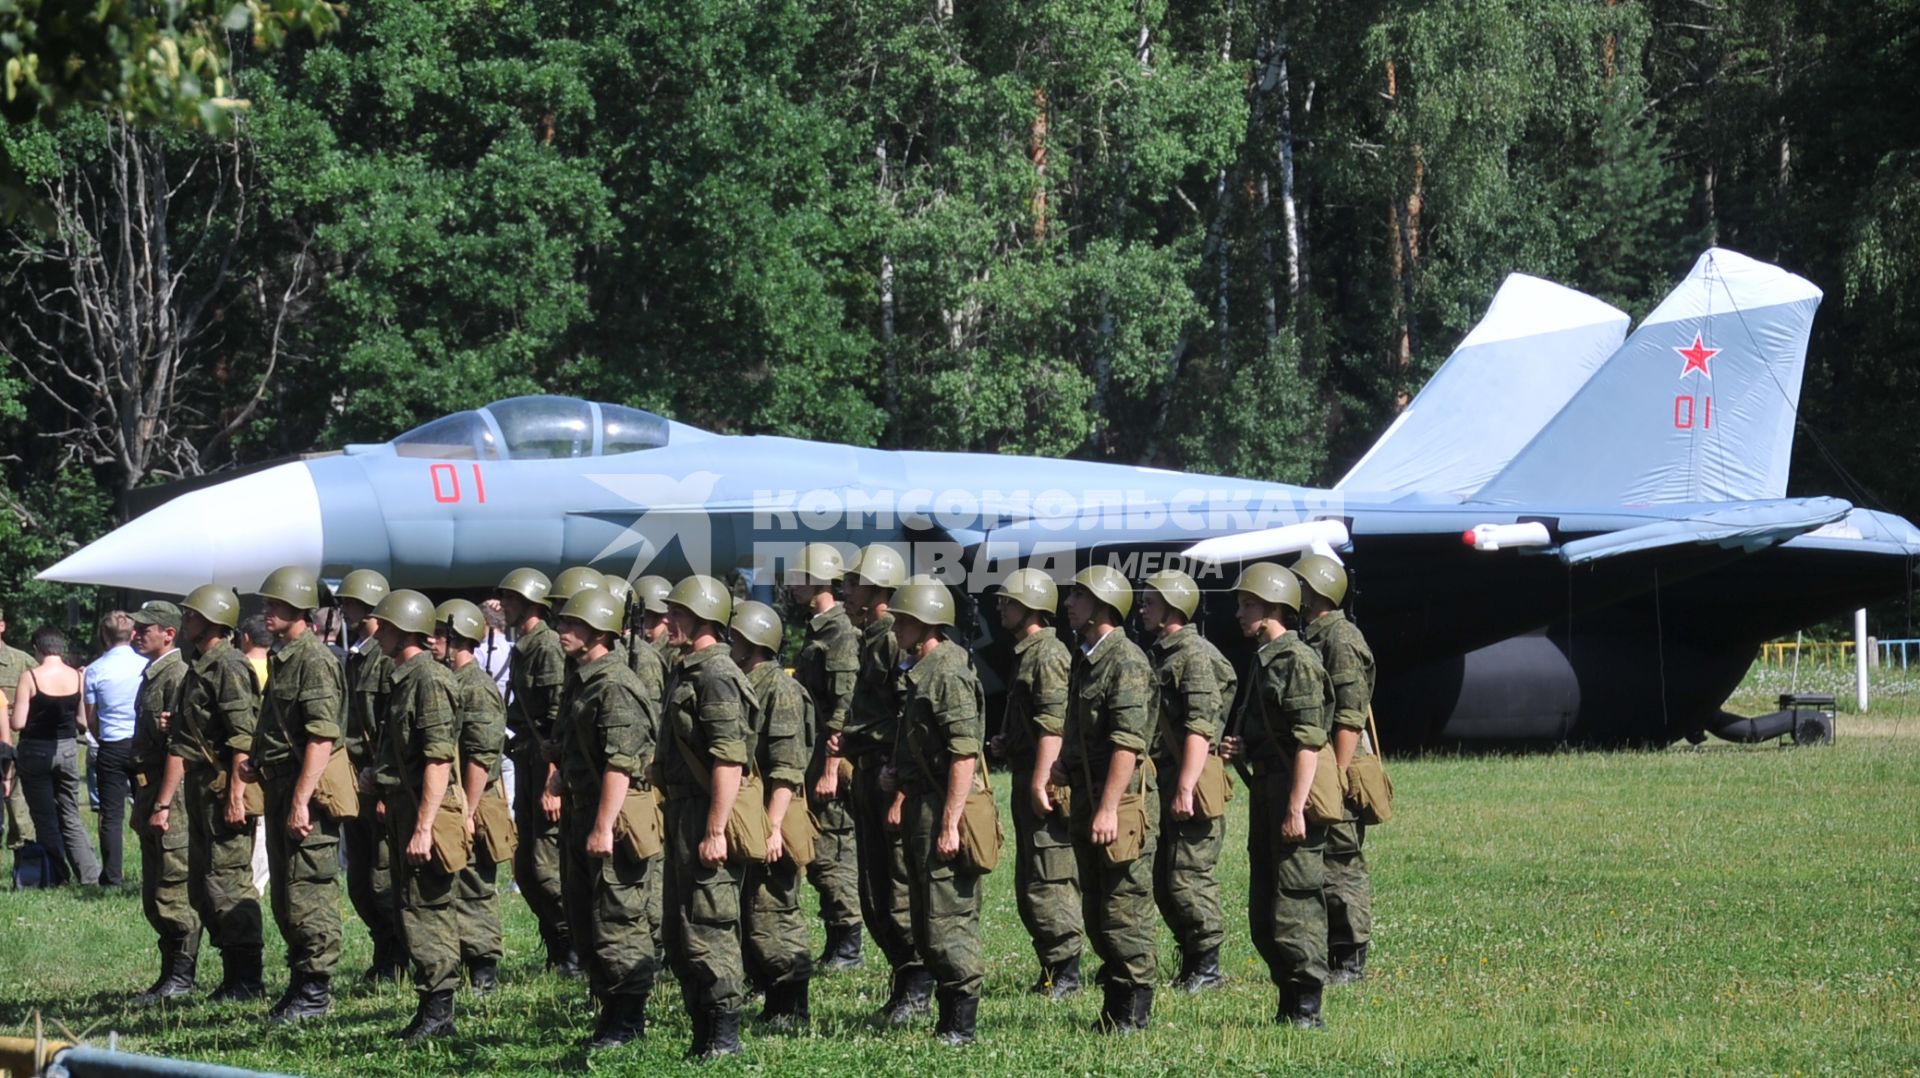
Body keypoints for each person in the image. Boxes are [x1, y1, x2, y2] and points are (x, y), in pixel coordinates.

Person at [1219, 562, 1334, 1029]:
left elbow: (1309, 742)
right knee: (1266, 906)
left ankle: (1306, 1009)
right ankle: (1288, 1002)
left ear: (1273, 609)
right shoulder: (1264, 659)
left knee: (1295, 901)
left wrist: (1295, 808)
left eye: (1248, 605)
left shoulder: (1297, 663)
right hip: (1268, 789)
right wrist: (1243, 747)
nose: (1240, 613)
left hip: (1292, 794)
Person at [552, 589, 659, 1050]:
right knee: (585, 918)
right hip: (585, 809)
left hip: (611, 819)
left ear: (599, 631)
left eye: (572, 624)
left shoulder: (614, 684)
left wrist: (602, 825)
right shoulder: (585, 678)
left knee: (618, 919)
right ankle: (609, 1011)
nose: (562, 631)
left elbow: (620, 763)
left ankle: (627, 1019)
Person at [150, 585, 264, 1002]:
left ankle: (248, 978)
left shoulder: (229, 666)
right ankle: (232, 975)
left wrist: (237, 795)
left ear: (214, 619)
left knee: (228, 884)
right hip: (201, 790)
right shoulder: (201, 665)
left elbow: (242, 739)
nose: (185, 622)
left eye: (191, 615)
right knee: (202, 887)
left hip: (222, 790)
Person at [1055, 565, 1157, 1033]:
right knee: (1097, 911)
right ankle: (1115, 1007)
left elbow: (1127, 744)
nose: (1069, 603)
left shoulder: (1126, 661)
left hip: (1118, 805)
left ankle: (1132, 1013)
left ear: (1102, 605)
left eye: (1078, 595)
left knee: (1123, 910)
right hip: (1088, 798)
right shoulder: (1087, 658)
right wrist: (1064, 763)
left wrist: (1110, 808)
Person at [885, 578, 986, 1045]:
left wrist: (950, 823)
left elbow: (965, 753)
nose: (896, 628)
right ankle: (948, 1017)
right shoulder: (923, 668)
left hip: (946, 808)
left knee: (948, 918)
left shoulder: (946, 672)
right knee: (927, 919)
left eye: (903, 621)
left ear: (925, 624)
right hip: (925, 804)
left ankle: (961, 1023)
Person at [658, 574, 754, 1060]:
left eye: (677, 613)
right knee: (681, 928)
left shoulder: (716, 674)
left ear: (704, 619)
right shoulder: (688, 669)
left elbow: (728, 758)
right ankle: (702, 1031)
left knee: (709, 924)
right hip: (681, 811)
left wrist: (715, 828)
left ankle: (724, 1036)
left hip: (704, 812)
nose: (668, 620)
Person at [249, 566, 348, 1023]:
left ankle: (316, 990)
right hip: (283, 784)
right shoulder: (284, 656)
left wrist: (301, 799)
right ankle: (300, 981)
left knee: (309, 892)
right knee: (287, 894)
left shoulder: (315, 660)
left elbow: (321, 738)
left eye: (275, 604)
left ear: (298, 609)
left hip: (304, 788)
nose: (266, 611)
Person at [370, 589, 463, 1042]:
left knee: (428, 907)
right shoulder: (404, 678)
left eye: (384, 627)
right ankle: (430, 1005)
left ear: (404, 630)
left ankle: (439, 1010)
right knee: (410, 905)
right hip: (406, 806)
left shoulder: (428, 680)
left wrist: (424, 827)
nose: (377, 633)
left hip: (425, 811)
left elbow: (438, 758)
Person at [839, 543, 926, 1023]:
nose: (846, 592)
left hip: (889, 776)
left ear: (877, 591)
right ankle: (904, 978)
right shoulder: (868, 637)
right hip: (869, 772)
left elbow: (906, 718)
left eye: (854, 584)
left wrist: (900, 787)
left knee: (894, 887)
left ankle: (917, 982)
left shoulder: (892, 640)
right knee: (874, 891)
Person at [1140, 569, 1237, 993]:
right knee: (1165, 879)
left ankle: (1207, 968)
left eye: (1150, 602)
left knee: (1187, 876)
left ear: (1172, 608)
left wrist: (1185, 786)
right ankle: (1191, 959)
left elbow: (1200, 726)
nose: (1142, 608)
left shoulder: (1193, 656)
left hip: (1190, 779)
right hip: (1169, 777)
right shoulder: (1164, 654)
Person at [991, 567, 1081, 998]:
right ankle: (1052, 965)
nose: (1001, 609)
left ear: (1029, 607)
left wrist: (1042, 780)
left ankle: (1066, 971)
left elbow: (1053, 726)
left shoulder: (1047, 655)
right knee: (1032, 877)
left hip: (1042, 778)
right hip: (1029, 770)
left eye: (1008, 602)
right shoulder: (1029, 652)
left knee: (1050, 874)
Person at [1293, 553, 1377, 985]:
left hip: (1336, 765)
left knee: (1341, 862)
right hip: (1322, 764)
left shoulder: (1340, 639)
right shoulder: (1314, 637)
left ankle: (1350, 956)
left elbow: (1349, 716)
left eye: (1300, 585)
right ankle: (1331, 950)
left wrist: (1338, 778)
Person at [730, 600, 813, 1029]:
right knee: (755, 911)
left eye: (737, 636)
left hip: (773, 814)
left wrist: (774, 825)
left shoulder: (777, 689)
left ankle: (791, 1006)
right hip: (755, 814)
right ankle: (772, 997)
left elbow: (785, 766)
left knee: (774, 911)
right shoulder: (748, 682)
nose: (730, 643)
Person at [785, 543, 863, 974]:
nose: (792, 585)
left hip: (827, 761)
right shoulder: (819, 630)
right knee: (820, 849)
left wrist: (832, 767)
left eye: (799, 577)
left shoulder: (839, 633)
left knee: (832, 848)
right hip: (811, 757)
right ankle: (838, 937)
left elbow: (842, 705)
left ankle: (848, 942)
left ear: (816, 581)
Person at [497, 567, 577, 974]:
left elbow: (552, 719)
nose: (504, 605)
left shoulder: (545, 645)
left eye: (511, 599)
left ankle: (573, 946)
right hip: (527, 758)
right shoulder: (525, 644)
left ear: (529, 603)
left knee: (545, 865)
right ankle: (558, 944)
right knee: (526, 867)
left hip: (542, 762)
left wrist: (551, 781)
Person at [430, 600, 511, 996]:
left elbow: (481, 755)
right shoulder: (448, 681)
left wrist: (469, 809)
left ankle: (483, 970)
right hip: (460, 799)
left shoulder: (475, 687)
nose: (431, 641)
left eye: (439, 635)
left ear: (457, 640)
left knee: (475, 885)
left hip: (475, 798)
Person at [127, 601, 201, 1003]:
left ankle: (181, 978)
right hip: (148, 789)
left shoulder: (177, 675)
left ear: (168, 634)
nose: (137, 634)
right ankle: (169, 974)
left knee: (173, 888)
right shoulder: (154, 675)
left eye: (145, 628)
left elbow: (180, 748)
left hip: (167, 795)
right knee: (155, 890)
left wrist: (164, 804)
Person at [336, 569, 406, 983]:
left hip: (376, 780)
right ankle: (384, 951)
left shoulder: (382, 660)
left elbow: (388, 728)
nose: (344, 610)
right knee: (361, 880)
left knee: (381, 878)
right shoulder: (362, 656)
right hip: (357, 780)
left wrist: (382, 784)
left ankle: (396, 955)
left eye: (350, 603)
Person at [9, 625, 101, 885]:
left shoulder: (31, 676)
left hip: (36, 750)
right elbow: (83, 720)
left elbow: (17, 723)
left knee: (45, 816)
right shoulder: (77, 676)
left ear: (37, 649)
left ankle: (58, 874)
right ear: (61, 648)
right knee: (70, 814)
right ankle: (89, 874)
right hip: (68, 750)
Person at [82, 611, 146, 887]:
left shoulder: (95, 670)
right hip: (143, 743)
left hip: (111, 745)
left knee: (111, 813)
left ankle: (112, 875)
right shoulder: (146, 665)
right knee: (147, 808)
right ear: (133, 635)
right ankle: (154, 869)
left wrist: (101, 735)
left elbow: (90, 717)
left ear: (104, 636)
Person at [0, 606, 38, 848]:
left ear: (2, 626)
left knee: (17, 807)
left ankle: (25, 863)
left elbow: (46, 691)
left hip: (13, 746)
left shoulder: (21, 661)